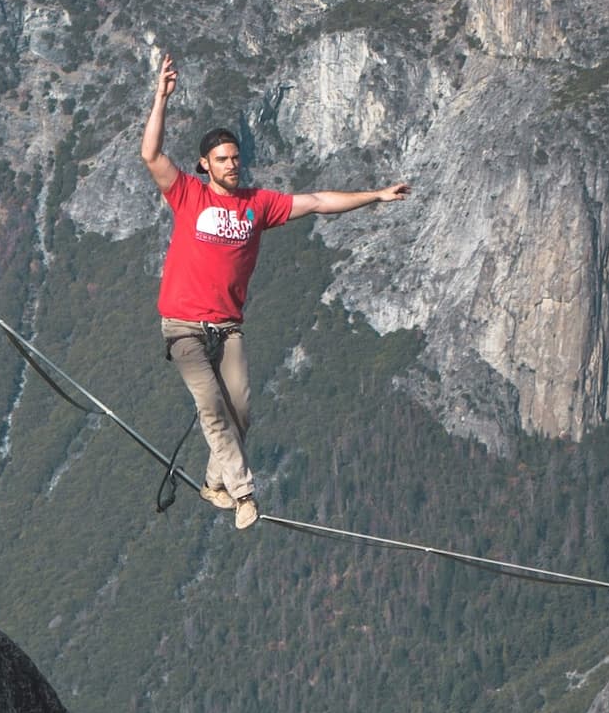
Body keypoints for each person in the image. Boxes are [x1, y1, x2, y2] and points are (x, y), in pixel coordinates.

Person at [140, 54, 410, 530]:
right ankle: (244, 494)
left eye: (236, 158)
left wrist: (375, 196)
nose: (232, 165)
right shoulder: (188, 194)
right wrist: (161, 98)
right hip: (182, 325)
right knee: (211, 406)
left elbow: (321, 201)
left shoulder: (258, 205)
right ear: (205, 165)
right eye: (222, 159)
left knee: (239, 411)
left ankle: (215, 483)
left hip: (226, 328)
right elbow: (151, 155)